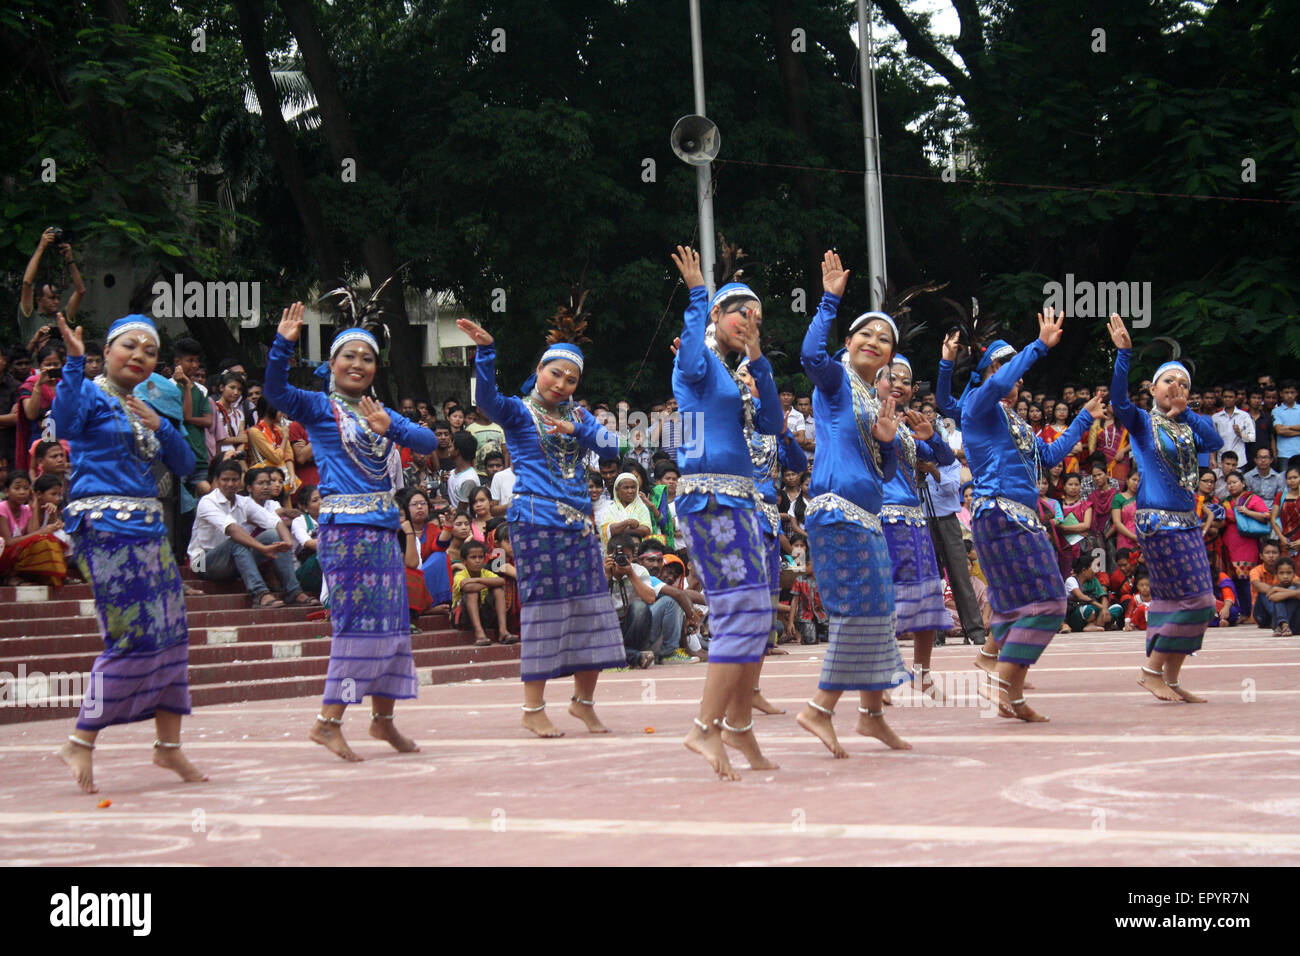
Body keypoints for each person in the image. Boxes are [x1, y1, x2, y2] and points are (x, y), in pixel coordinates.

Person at [268, 301, 441, 762]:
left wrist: (395, 429)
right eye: (349, 356)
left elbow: (428, 442)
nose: (358, 364)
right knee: (356, 629)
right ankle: (328, 721)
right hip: (345, 532)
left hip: (383, 530)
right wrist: (282, 345)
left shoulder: (377, 411)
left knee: (392, 627)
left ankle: (383, 720)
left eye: (367, 358)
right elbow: (276, 391)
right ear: (332, 363)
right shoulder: (320, 407)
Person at [50, 313, 205, 794]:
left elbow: (184, 464)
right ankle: (81, 738)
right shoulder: (90, 393)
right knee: (132, 637)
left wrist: (162, 424)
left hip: (148, 527)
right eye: (129, 347)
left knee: (174, 634)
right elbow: (68, 420)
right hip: (104, 528)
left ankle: (168, 747)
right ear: (109, 351)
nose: (139, 356)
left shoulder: (143, 404)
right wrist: (74, 363)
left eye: (149, 351)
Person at [459, 310, 626, 739]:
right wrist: (486, 352)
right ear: (539, 370)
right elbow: (486, 402)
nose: (562, 384)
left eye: (571, 380)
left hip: (580, 527)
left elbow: (616, 448)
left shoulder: (580, 417)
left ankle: (582, 703)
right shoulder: (518, 412)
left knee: (591, 609)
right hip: (536, 523)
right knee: (544, 611)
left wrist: (579, 428)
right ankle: (533, 708)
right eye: (556, 374)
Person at [944, 309, 1101, 720]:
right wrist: (1038, 346)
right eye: (1003, 363)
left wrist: (1084, 417)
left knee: (1016, 609)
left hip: (1013, 515)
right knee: (1050, 601)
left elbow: (1048, 455)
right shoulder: (979, 403)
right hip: (1002, 512)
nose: (1015, 376)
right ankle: (1000, 680)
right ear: (986, 371)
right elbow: (996, 380)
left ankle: (1010, 694)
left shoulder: (1015, 422)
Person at [671, 246, 783, 780]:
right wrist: (697, 293)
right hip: (710, 500)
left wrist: (758, 361)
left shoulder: (738, 375)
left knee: (756, 616)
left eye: (757, 318)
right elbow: (693, 355)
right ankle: (703, 727)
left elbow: (776, 427)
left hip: (741, 500)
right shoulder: (694, 364)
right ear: (717, 316)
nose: (749, 323)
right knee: (741, 613)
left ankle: (738, 730)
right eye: (741, 313)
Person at [794, 251, 910, 758]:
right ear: (849, 342)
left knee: (880, 612)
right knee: (856, 612)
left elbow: (884, 473)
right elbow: (809, 356)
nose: (874, 342)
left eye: (884, 340)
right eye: (866, 334)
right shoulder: (837, 381)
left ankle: (872, 716)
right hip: (836, 512)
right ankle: (819, 708)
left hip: (867, 515)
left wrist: (887, 441)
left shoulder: (873, 399)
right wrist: (829, 300)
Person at [1108, 314, 1225, 703]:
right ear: (1153, 388)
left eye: (1184, 383)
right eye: (1169, 381)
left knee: (1186, 600)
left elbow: (1214, 442)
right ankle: (1150, 671)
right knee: (1198, 600)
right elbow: (1119, 401)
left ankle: (1170, 678)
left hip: (1188, 522)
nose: (1177, 386)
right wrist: (1124, 354)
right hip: (1158, 522)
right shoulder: (1142, 422)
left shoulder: (1189, 424)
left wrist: (1187, 412)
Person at [876, 356, 955, 697]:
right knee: (892, 600)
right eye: (892, 377)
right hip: (886, 518)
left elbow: (947, 460)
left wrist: (932, 437)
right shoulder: (865, 417)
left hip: (915, 519)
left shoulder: (907, 428)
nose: (899, 384)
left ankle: (921, 673)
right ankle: (882, 676)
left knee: (927, 596)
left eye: (906, 380)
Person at [737, 358, 807, 715]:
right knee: (738, 606)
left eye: (756, 378)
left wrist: (784, 432)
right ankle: (729, 690)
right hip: (733, 517)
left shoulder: (770, 431)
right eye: (744, 376)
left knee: (763, 607)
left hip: (765, 521)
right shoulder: (727, 423)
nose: (751, 383)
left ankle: (752, 689)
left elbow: (798, 462)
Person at [190, 460, 309, 608]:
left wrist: (287, 542)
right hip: (200, 562)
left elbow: (275, 522)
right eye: (225, 480)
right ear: (217, 481)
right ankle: (260, 594)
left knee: (273, 535)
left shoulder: (243, 501)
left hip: (231, 560)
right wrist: (261, 548)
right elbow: (232, 529)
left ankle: (294, 591)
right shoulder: (207, 501)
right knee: (238, 541)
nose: (230, 484)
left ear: (240, 482)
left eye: (234, 480)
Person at [18, 227, 85, 344]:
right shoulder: (29, 317)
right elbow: (27, 283)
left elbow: (81, 291)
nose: (56, 302)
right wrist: (41, 247)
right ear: (39, 299)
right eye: (52, 298)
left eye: (58, 298)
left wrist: (70, 260)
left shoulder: (62, 318)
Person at [0, 469, 67, 586]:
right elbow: (9, 542)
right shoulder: (2, 508)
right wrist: (42, 531)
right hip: (4, 553)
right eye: (17, 488)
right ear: (6, 491)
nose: (22, 492)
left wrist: (36, 504)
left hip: (16, 552)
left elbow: (33, 534)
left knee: (47, 541)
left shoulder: (26, 509)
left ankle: (50, 575)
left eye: (26, 488)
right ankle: (8, 576)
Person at [1221, 471, 1270, 617]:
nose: (1231, 486)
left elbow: (1266, 516)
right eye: (1228, 483)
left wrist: (1247, 512)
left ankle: (1251, 613)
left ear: (1243, 483)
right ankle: (1242, 612)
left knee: (1246, 580)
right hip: (1229, 544)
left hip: (1246, 544)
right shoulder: (1226, 501)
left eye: (1234, 482)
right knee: (1234, 579)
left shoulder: (1252, 499)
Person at [451, 539, 512, 645]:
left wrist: (476, 579)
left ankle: (503, 632)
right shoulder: (460, 575)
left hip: (485, 614)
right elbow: (468, 588)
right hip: (463, 617)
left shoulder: (486, 573)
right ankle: (480, 634)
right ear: (464, 561)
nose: (478, 561)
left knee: (498, 589)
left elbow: (501, 581)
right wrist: (489, 583)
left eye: (481, 557)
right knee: (472, 592)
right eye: (473, 558)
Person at [1065, 554, 1122, 631]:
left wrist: (1104, 610)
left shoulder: (1094, 580)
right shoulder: (1071, 580)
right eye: (1094, 567)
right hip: (1076, 613)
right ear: (1084, 570)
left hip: (1095, 610)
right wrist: (1101, 607)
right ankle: (1092, 624)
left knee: (1118, 608)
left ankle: (1098, 623)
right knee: (1088, 609)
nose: (1097, 570)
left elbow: (1103, 597)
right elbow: (1080, 596)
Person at [1253, 556, 1300, 635]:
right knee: (1280, 598)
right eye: (1281, 573)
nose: (1285, 576)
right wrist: (1294, 593)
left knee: (1292, 590)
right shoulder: (1276, 588)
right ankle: (1283, 624)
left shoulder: (1297, 585)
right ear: (1276, 574)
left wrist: (1283, 591)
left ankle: (1284, 624)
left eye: (1289, 573)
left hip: (1295, 625)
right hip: (1277, 625)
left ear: (1294, 574)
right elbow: (1273, 597)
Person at [290, 484, 323, 598]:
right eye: (315, 500)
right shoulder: (299, 521)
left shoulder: (332, 519)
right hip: (305, 572)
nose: (321, 502)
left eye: (323, 497)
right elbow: (309, 543)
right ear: (304, 507)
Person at [1211, 386, 1254, 468]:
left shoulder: (1245, 416)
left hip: (1239, 461)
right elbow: (1213, 441)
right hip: (1221, 460)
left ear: (1236, 398)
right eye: (1225, 397)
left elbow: (1251, 438)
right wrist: (1213, 459)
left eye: (1230, 397)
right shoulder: (1215, 417)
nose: (1228, 399)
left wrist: (1240, 434)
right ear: (1221, 398)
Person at [1270, 465, 1300, 558]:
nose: (1292, 480)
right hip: (1285, 541)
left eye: (1295, 477)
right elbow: (1273, 518)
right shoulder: (1280, 496)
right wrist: (1281, 537)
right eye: (1289, 478)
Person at [1272, 379, 1300, 463]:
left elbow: (1283, 429)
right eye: (1287, 392)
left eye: (1292, 392)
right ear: (1281, 394)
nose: (1290, 395)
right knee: (1284, 476)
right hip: (1284, 453)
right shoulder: (1276, 411)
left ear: (1297, 393)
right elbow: (1280, 430)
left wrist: (1288, 427)